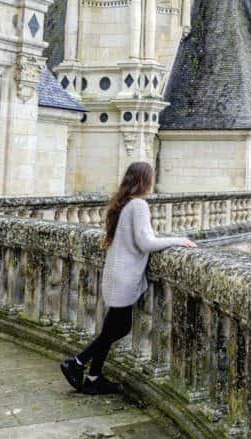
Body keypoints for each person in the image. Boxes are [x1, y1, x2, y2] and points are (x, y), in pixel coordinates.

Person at [60, 162, 196, 394]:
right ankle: (77, 362)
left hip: (116, 274)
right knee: (118, 328)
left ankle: (93, 378)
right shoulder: (139, 205)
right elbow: (146, 243)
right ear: (146, 180)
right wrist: (178, 240)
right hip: (124, 277)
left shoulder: (123, 204)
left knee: (112, 328)